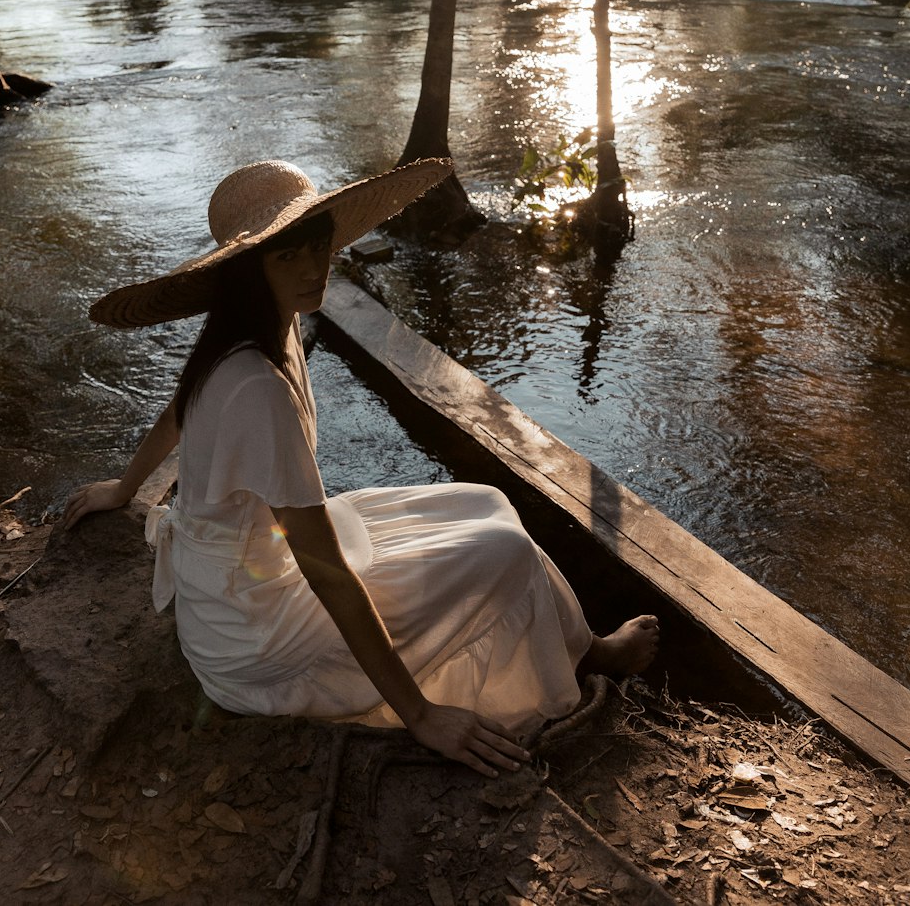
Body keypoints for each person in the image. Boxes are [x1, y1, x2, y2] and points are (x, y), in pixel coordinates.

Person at [63, 157, 658, 777]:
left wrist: (125, 488)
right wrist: (422, 715)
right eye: (286, 256)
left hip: (237, 580)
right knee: (504, 552)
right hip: (251, 628)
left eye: (318, 246)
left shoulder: (252, 329)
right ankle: (588, 658)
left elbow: (177, 411)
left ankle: (586, 645)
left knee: (482, 501)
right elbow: (328, 573)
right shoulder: (256, 384)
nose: (313, 268)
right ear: (247, 271)